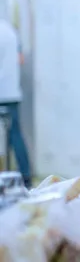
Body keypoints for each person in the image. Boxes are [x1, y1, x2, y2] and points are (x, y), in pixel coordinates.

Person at [0, 18, 32, 187]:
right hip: (12, 91)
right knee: (15, 135)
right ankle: (26, 176)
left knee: (11, 136)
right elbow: (20, 59)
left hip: (2, 92)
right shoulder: (9, 30)